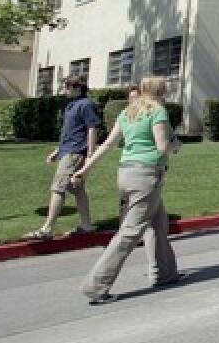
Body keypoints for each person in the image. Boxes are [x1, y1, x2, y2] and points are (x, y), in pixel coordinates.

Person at [74, 77, 181, 304]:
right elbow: (162, 146)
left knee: (159, 222)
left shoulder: (128, 113)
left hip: (126, 174)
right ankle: (96, 286)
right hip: (147, 176)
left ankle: (166, 273)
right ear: (160, 92)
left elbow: (107, 145)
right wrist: (176, 145)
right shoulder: (158, 112)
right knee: (130, 232)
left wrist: (85, 169)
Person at [23, 75, 99, 241]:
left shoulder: (86, 104)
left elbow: (92, 129)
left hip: (75, 152)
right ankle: (86, 225)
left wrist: (90, 154)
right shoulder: (71, 105)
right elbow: (70, 132)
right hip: (68, 150)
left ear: (77, 87)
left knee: (58, 188)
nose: (64, 91)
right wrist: (57, 151)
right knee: (77, 189)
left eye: (67, 87)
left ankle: (47, 229)